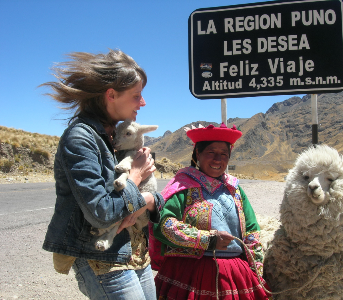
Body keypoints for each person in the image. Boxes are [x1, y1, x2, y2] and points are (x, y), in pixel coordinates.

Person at [41, 49, 164, 300]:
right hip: (101, 256)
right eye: (136, 96)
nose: (143, 103)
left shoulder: (119, 139)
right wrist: (136, 176)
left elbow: (153, 200)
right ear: (111, 95)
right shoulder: (81, 138)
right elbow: (101, 212)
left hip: (135, 253)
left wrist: (150, 201)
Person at [152, 123, 271, 299]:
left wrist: (256, 270)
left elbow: (252, 231)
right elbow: (163, 224)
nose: (217, 159)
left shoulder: (235, 189)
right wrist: (207, 240)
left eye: (224, 154)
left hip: (236, 275)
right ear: (198, 154)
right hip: (189, 273)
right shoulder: (183, 186)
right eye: (211, 152)